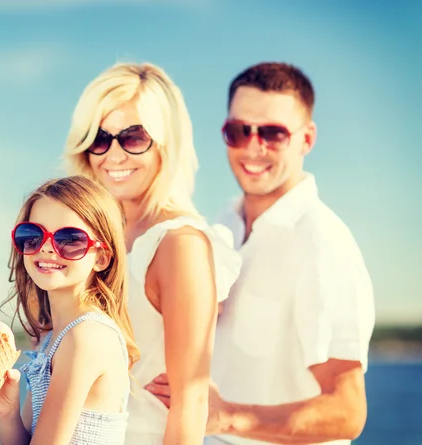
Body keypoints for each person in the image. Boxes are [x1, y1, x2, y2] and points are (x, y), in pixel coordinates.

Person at [146, 62, 376, 445]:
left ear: (306, 139)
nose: (254, 147)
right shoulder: (223, 223)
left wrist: (229, 418)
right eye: (239, 131)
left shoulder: (323, 245)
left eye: (273, 133)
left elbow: (348, 411)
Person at [63, 62, 242, 444]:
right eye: (99, 137)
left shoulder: (180, 244)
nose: (113, 155)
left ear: (166, 142)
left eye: (133, 137)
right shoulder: (84, 237)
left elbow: (191, 404)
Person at [0, 175, 140, 445]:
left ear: (102, 257)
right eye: (33, 235)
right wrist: (7, 411)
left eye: (70, 238)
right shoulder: (53, 339)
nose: (47, 247)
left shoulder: (86, 337)